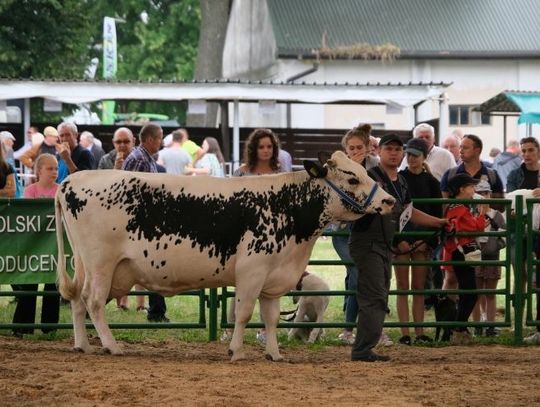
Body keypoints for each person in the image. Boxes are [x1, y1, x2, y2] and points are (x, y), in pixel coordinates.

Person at [350, 133, 448, 362]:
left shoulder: (401, 182)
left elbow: (408, 212)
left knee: (379, 295)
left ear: (402, 153)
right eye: (389, 149)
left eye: (397, 149)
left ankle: (366, 347)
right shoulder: (369, 175)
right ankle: (363, 349)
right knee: (374, 295)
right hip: (368, 239)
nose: (394, 153)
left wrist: (438, 222)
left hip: (384, 243)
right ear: (379, 151)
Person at [225, 128, 283, 343]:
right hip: (243, 235)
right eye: (261, 147)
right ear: (254, 149)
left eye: (269, 147)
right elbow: (229, 201)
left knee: (270, 284)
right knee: (241, 282)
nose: (266, 151)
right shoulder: (241, 173)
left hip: (273, 237)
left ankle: (266, 330)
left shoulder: (281, 173)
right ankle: (231, 328)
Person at [332, 124, 381, 346]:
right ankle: (350, 329)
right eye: (350, 148)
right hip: (343, 230)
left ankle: (356, 328)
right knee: (356, 274)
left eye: (359, 147)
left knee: (361, 277)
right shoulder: (339, 167)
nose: (354, 152)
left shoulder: (375, 168)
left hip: (365, 229)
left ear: (368, 147)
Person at [440, 134, 504, 295]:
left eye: (465, 147)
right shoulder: (451, 175)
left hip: (484, 241)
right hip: (457, 238)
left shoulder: (492, 175)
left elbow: (501, 205)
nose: (460, 151)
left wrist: (485, 206)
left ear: (478, 150)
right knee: (451, 278)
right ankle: (447, 313)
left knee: (473, 283)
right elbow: (443, 205)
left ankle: (467, 315)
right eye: (460, 147)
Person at [395, 138, 442, 345]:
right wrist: (400, 240)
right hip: (403, 240)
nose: (411, 158)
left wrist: (426, 240)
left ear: (424, 157)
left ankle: (419, 332)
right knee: (403, 286)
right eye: (409, 154)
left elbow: (436, 213)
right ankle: (405, 333)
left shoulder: (432, 182)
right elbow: (395, 212)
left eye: (415, 155)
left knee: (419, 288)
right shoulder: (399, 178)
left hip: (423, 240)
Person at [122, 123, 169, 323]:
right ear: (150, 139)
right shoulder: (140, 159)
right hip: (139, 224)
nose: (162, 142)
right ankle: (156, 311)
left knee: (151, 266)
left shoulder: (143, 158)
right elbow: (128, 192)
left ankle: (157, 310)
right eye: (159, 138)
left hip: (144, 222)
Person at [12, 153, 60, 336]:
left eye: (56, 168)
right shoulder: (30, 191)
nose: (54, 172)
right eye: (50, 168)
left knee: (52, 286)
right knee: (29, 284)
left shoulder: (61, 190)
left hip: (54, 246)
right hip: (33, 246)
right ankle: (22, 327)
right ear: (38, 171)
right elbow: (27, 216)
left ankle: (50, 328)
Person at [443, 173, 487, 344]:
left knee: (467, 291)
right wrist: (482, 215)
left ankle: (458, 328)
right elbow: (475, 227)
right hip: (461, 253)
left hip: (457, 251)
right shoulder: (460, 208)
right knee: (470, 293)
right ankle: (459, 328)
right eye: (471, 186)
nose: (473, 190)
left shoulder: (454, 206)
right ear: (462, 189)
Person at [506, 137, 540, 344]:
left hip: (538, 231)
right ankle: (518, 323)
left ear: (538, 152)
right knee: (520, 276)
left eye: (530, 150)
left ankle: (535, 322)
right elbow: (509, 202)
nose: (526, 154)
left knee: (536, 276)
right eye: (523, 151)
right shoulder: (513, 174)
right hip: (519, 232)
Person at [472, 180, 505, 337]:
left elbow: (506, 234)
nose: (483, 196)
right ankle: (478, 326)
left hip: (492, 257)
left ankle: (490, 326)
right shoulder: (472, 214)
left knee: (490, 293)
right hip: (476, 257)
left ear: (490, 194)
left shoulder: (496, 215)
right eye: (480, 193)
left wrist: (496, 244)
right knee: (477, 293)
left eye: (485, 193)